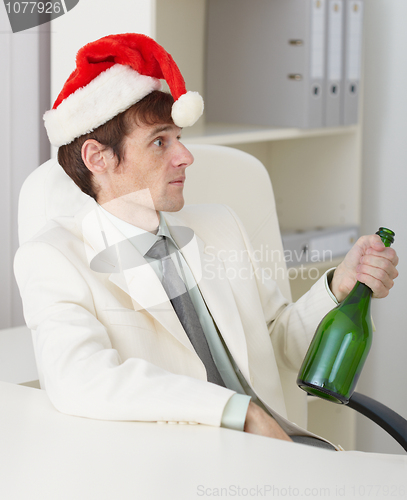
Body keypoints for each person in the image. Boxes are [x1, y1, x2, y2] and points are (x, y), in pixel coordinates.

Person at [14, 33, 398, 449]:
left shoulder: (220, 226)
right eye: (160, 142)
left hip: (282, 452)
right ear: (98, 159)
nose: (185, 156)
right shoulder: (53, 257)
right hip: (190, 467)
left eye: (179, 138)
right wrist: (235, 411)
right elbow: (80, 378)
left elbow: (278, 343)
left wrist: (338, 286)